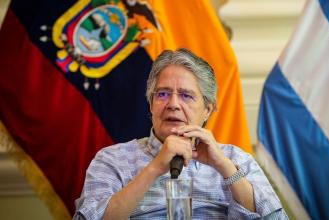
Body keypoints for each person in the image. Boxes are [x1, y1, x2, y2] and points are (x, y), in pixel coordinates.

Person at [73, 48, 287, 219]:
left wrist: (225, 168)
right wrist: (155, 168)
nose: (173, 104)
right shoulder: (112, 159)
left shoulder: (235, 159)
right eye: (163, 94)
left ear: (207, 110)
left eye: (186, 96)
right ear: (151, 104)